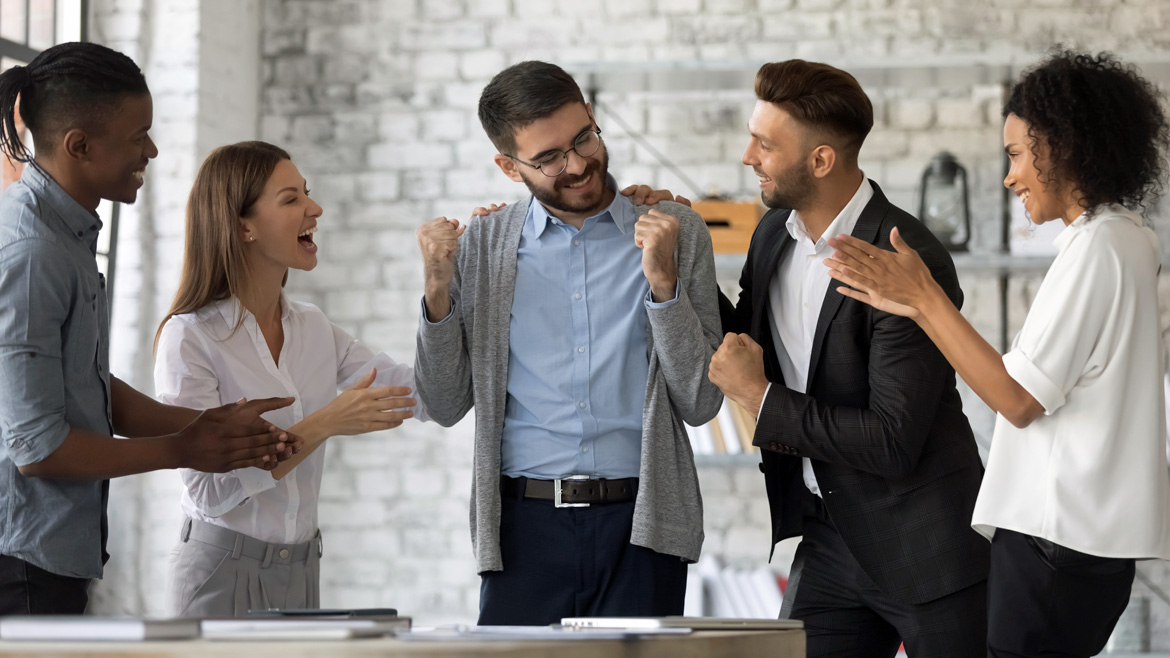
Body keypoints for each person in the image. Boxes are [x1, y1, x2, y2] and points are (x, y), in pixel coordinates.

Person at [826, 50, 1170, 658]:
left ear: (1063, 146)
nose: (1009, 177)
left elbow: (1017, 399)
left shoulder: (1099, 248)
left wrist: (923, 299)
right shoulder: (1131, 240)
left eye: (1016, 154)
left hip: (1054, 544)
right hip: (1084, 547)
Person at [414, 60, 723, 625]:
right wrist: (437, 290)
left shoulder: (676, 231)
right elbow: (443, 403)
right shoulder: (482, 246)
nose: (578, 164)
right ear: (509, 166)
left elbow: (702, 403)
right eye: (550, 157)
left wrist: (664, 287)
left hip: (644, 524)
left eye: (584, 137)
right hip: (522, 531)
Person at [0, 43, 300, 616]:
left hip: (48, 559)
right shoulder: (33, 250)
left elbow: (81, 382)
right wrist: (183, 448)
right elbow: (37, 447)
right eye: (139, 136)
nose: (153, 150)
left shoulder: (64, 235)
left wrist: (206, 426)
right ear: (79, 146)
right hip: (21, 568)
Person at [706, 59, 989, 657]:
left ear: (821, 160)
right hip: (829, 536)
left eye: (763, 143)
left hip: (926, 548)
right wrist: (679, 256)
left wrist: (758, 399)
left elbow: (892, 440)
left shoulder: (907, 258)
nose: (747, 156)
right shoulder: (772, 234)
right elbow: (743, 350)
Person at [155, 141, 428, 617]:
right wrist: (323, 423)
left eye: (308, 193)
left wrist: (445, 289)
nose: (315, 209)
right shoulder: (190, 338)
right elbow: (210, 492)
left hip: (302, 569)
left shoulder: (313, 328)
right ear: (243, 227)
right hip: (220, 570)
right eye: (291, 199)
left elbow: (422, 396)